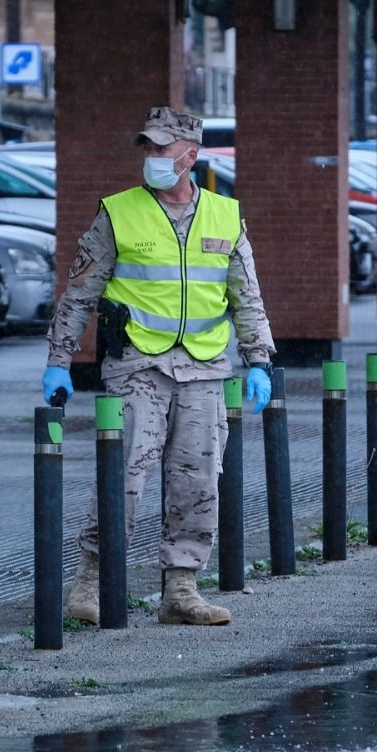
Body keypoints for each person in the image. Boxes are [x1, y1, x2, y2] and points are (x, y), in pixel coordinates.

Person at [41, 106, 276, 627]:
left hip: (205, 371)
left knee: (197, 483)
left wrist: (259, 360)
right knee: (123, 476)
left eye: (162, 149)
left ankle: (181, 591)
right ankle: (91, 583)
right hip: (137, 366)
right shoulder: (118, 213)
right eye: (147, 147)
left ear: (190, 156)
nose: (152, 157)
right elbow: (79, 294)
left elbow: (247, 297)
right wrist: (58, 360)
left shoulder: (225, 215)